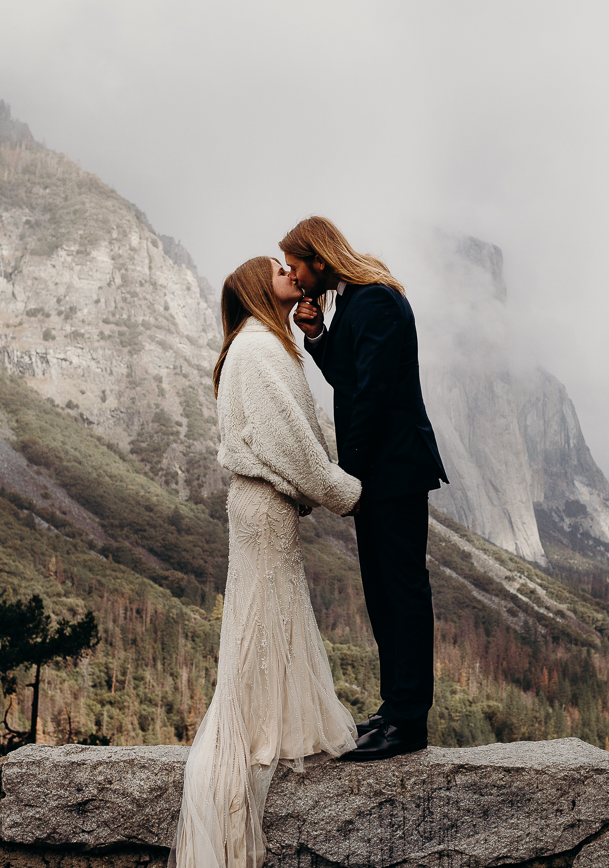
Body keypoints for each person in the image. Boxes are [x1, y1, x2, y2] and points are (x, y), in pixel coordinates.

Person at [169, 256, 362, 868]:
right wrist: (344, 492)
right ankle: (241, 764)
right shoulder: (256, 349)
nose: (291, 273)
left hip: (264, 507)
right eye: (280, 270)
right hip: (261, 507)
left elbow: (295, 437)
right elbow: (290, 443)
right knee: (260, 615)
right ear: (259, 287)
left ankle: (272, 726)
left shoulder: (263, 345)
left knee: (271, 610)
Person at [279, 216, 448, 762]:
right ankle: (395, 708)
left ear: (320, 262)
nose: (296, 278)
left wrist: (343, 477)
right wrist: (318, 338)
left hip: (393, 471)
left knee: (402, 590)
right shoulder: (353, 301)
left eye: (298, 267)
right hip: (381, 472)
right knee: (382, 590)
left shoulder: (374, 300)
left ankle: (409, 722)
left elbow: (371, 397)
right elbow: (351, 378)